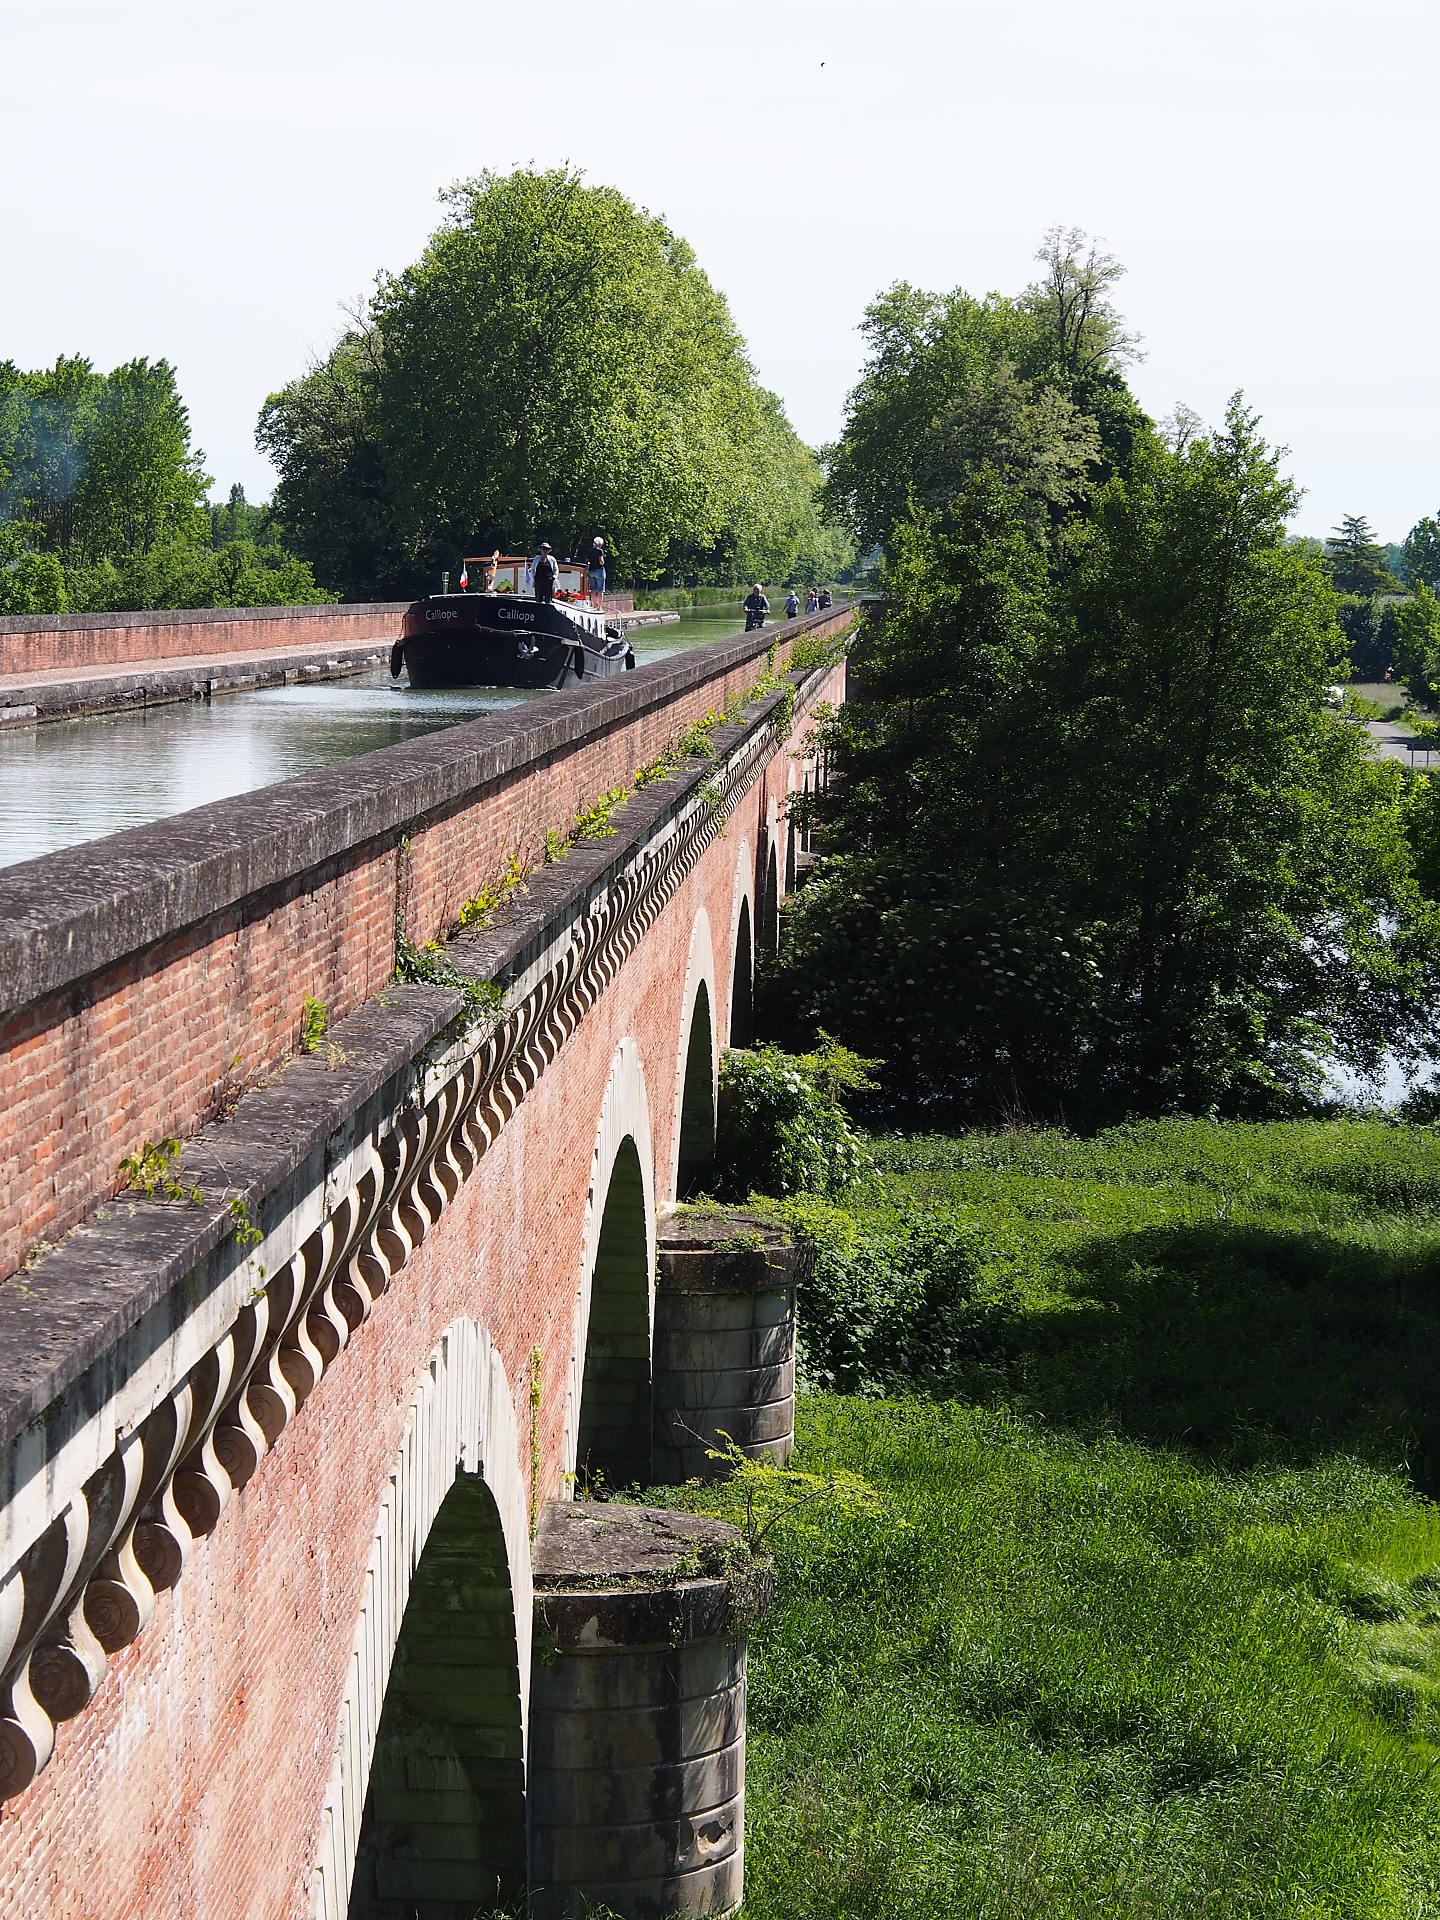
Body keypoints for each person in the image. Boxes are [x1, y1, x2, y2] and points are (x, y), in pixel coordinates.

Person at [534, 541, 559, 605]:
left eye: (546, 549)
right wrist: (534, 577)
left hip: (548, 580)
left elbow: (556, 569)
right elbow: (533, 569)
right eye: (543, 549)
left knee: (548, 598)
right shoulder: (536, 559)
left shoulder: (552, 559)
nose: (545, 550)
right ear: (541, 550)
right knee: (539, 597)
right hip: (539, 580)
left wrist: (554, 577)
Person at [588, 535, 607, 604]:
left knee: (593, 589)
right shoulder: (600, 551)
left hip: (591, 571)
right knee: (600, 590)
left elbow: (587, 561)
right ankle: (599, 606)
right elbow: (601, 561)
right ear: (599, 544)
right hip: (599, 570)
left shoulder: (590, 551)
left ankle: (593, 605)